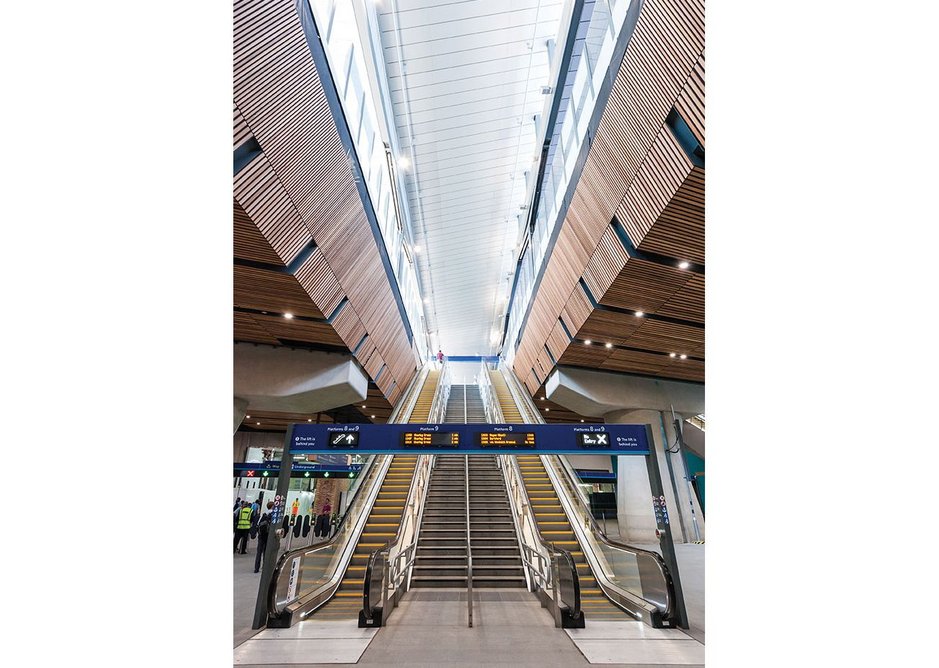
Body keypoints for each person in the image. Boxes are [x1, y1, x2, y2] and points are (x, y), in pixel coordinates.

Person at [254, 501, 274, 573]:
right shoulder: (273, 514)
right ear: (272, 506)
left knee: (259, 552)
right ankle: (265, 567)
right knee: (266, 552)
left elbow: (258, 525)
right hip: (268, 536)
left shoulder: (264, 514)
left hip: (261, 535)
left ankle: (256, 568)